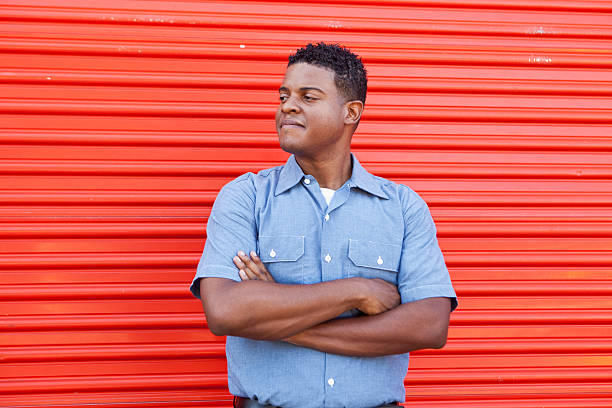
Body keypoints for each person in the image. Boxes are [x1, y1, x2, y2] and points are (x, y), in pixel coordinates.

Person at [190, 42, 458, 408]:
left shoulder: (402, 207)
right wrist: (356, 290)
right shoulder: (246, 197)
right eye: (283, 95)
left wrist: (275, 318)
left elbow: (429, 325)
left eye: (308, 97)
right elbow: (225, 311)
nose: (287, 106)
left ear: (351, 112)